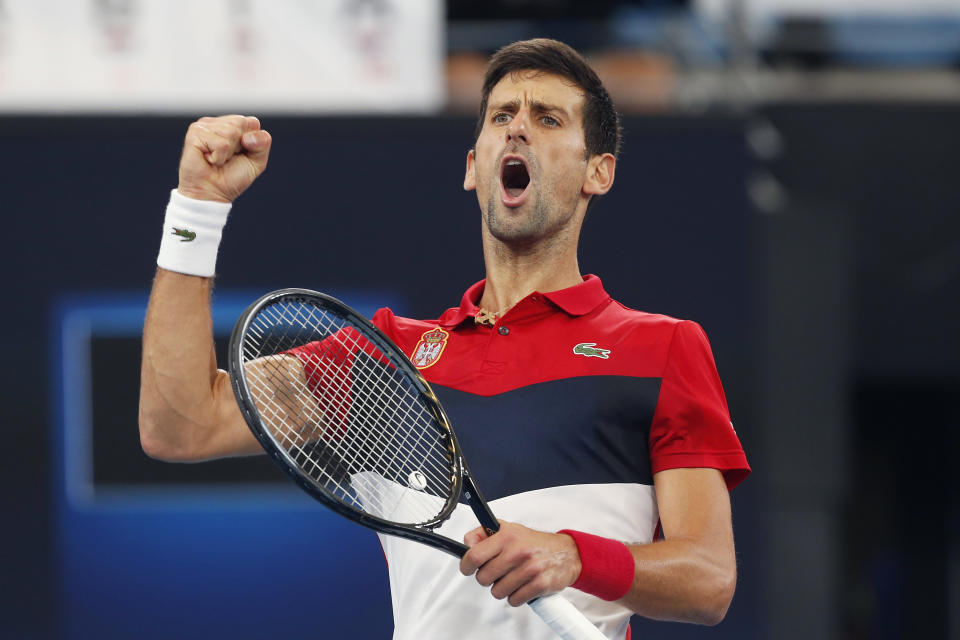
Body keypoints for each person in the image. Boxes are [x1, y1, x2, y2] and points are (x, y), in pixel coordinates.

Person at [139, 38, 749, 640]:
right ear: (472, 165)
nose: (517, 130)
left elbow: (708, 579)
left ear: (599, 171)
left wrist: (574, 556)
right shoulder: (381, 357)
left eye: (547, 118)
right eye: (501, 116)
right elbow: (181, 425)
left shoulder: (662, 348)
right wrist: (198, 206)